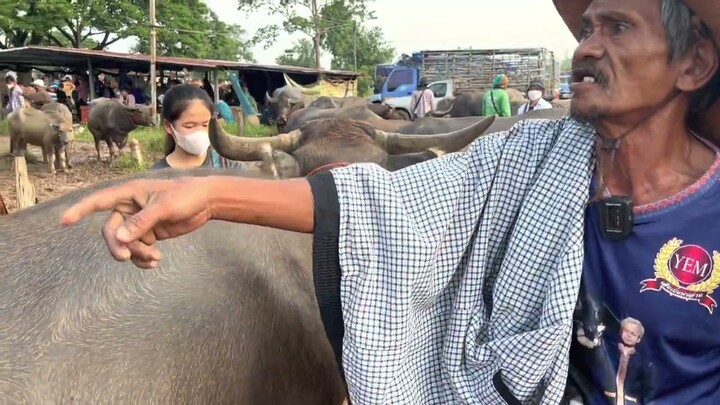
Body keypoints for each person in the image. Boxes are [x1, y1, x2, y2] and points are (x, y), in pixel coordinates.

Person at [60, 0, 720, 404]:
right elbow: (382, 204)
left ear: (692, 65)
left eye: (618, 27)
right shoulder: (530, 159)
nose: (587, 46)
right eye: (587, 26)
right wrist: (204, 191)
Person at [149, 84, 243, 170]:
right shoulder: (155, 177)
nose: (200, 132)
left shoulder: (231, 168)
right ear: (168, 126)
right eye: (189, 126)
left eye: (205, 125)